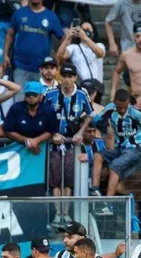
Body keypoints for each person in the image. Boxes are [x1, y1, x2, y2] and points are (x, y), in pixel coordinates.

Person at [44, 63, 92, 226]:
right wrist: (52, 133)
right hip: (55, 143)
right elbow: (43, 115)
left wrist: (80, 132)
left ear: (75, 78)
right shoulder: (50, 94)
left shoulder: (81, 94)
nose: (66, 80)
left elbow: (90, 115)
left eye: (69, 76)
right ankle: (58, 214)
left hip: (72, 142)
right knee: (56, 180)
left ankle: (66, 214)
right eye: (63, 76)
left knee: (69, 179)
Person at [90, 89, 141, 216]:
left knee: (115, 166)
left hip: (137, 148)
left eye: (124, 107)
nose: (122, 110)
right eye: (119, 107)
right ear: (114, 103)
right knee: (98, 156)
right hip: (121, 148)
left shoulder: (136, 113)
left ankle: (108, 204)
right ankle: (94, 190)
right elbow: (96, 120)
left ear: (128, 103)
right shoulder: (110, 109)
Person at [4, 0, 64, 100]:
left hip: (42, 69)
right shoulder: (19, 13)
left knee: (42, 102)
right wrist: (5, 55)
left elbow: (63, 38)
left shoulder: (51, 16)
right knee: (20, 102)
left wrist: (58, 57)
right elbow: (10, 34)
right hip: (20, 66)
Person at [3, 81, 59, 155]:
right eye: (28, 94)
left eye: (34, 95)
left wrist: (36, 140)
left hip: (42, 151)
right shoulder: (16, 108)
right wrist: (27, 141)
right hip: (17, 151)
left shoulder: (49, 110)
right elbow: (8, 130)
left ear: (41, 96)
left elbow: (51, 130)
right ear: (24, 96)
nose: (31, 97)